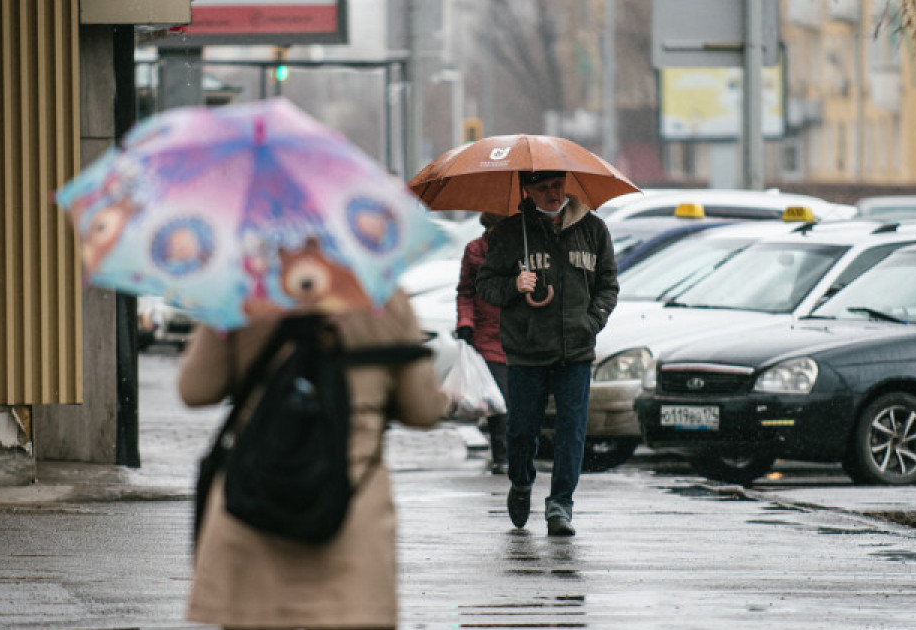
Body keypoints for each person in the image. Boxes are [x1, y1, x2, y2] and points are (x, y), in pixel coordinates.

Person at [177, 292, 445, 629]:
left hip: (254, 506)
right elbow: (423, 411)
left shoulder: (243, 293)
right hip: (352, 513)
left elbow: (196, 390)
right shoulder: (384, 299)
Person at [475, 170, 619, 537]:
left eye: (557, 186)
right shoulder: (510, 233)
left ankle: (560, 506)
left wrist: (593, 321)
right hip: (527, 350)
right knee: (522, 430)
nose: (553, 194)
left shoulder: (593, 230)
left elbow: (607, 284)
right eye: (543, 188)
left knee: (572, 431)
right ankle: (521, 483)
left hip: (576, 349)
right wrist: (514, 284)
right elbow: (486, 285)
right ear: (528, 190)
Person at [456, 212, 510, 475]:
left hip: (521, 335)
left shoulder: (523, 247)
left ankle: (520, 453)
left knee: (520, 400)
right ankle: (503, 456)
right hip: (488, 336)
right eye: (492, 227)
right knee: (498, 400)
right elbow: (465, 291)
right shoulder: (474, 250)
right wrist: (465, 323)